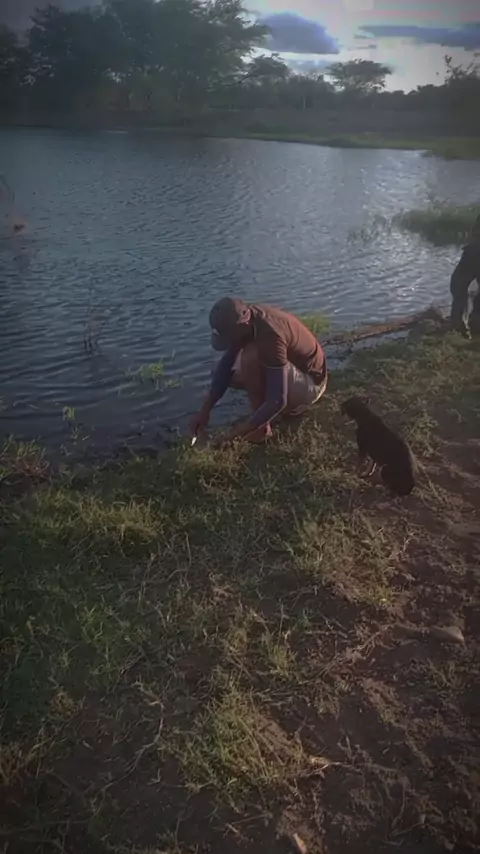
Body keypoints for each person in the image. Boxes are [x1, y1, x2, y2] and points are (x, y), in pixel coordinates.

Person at [190, 297, 327, 445]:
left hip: (312, 385)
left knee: (249, 358)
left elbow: (278, 400)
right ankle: (262, 415)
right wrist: (205, 410)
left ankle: (262, 429)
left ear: (243, 325)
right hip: (292, 371)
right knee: (223, 372)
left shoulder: (271, 336)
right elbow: (225, 367)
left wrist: (240, 432)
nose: (231, 343)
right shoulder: (245, 320)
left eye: (230, 339)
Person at [450, 214, 480, 336]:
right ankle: (461, 324)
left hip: (475, 250)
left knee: (457, 285)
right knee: (457, 285)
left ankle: (463, 324)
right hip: (475, 250)